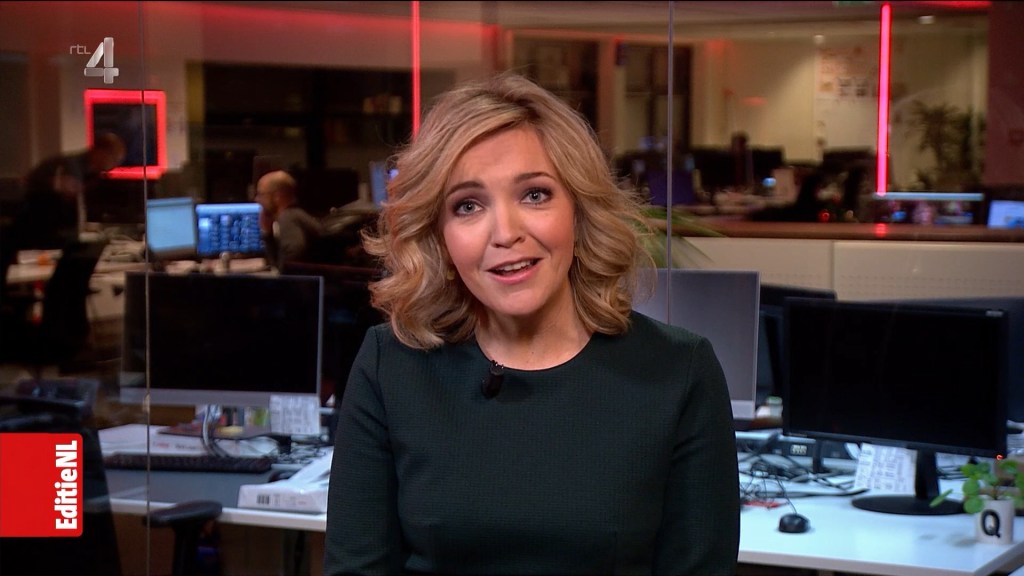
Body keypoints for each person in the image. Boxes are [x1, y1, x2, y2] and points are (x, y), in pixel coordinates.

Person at [323, 72, 740, 575]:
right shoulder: (390, 365)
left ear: (579, 211)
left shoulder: (678, 370)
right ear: (439, 238)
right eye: (468, 206)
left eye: (535, 195)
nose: (506, 233)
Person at [13, 132, 125, 250]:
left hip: (55, 233)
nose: (115, 165)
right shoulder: (69, 167)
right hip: (42, 234)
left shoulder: (89, 173)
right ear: (101, 152)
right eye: (114, 159)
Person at [253, 169, 324, 269]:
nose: (257, 199)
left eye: (261, 194)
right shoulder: (296, 214)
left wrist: (267, 236)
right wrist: (268, 235)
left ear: (277, 196)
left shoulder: (287, 218)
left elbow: (290, 263)